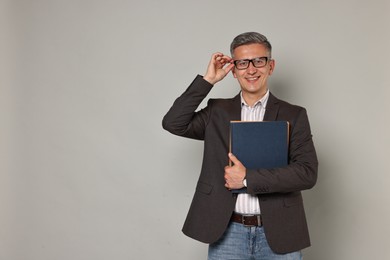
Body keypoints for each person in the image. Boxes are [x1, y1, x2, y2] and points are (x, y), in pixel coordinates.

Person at [162, 32, 318, 259]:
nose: (251, 69)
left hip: (279, 231)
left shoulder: (293, 115)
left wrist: (247, 179)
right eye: (243, 63)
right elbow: (173, 123)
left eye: (259, 61)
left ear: (270, 66)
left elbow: (307, 173)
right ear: (233, 70)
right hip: (227, 232)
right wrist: (208, 81)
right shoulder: (217, 112)